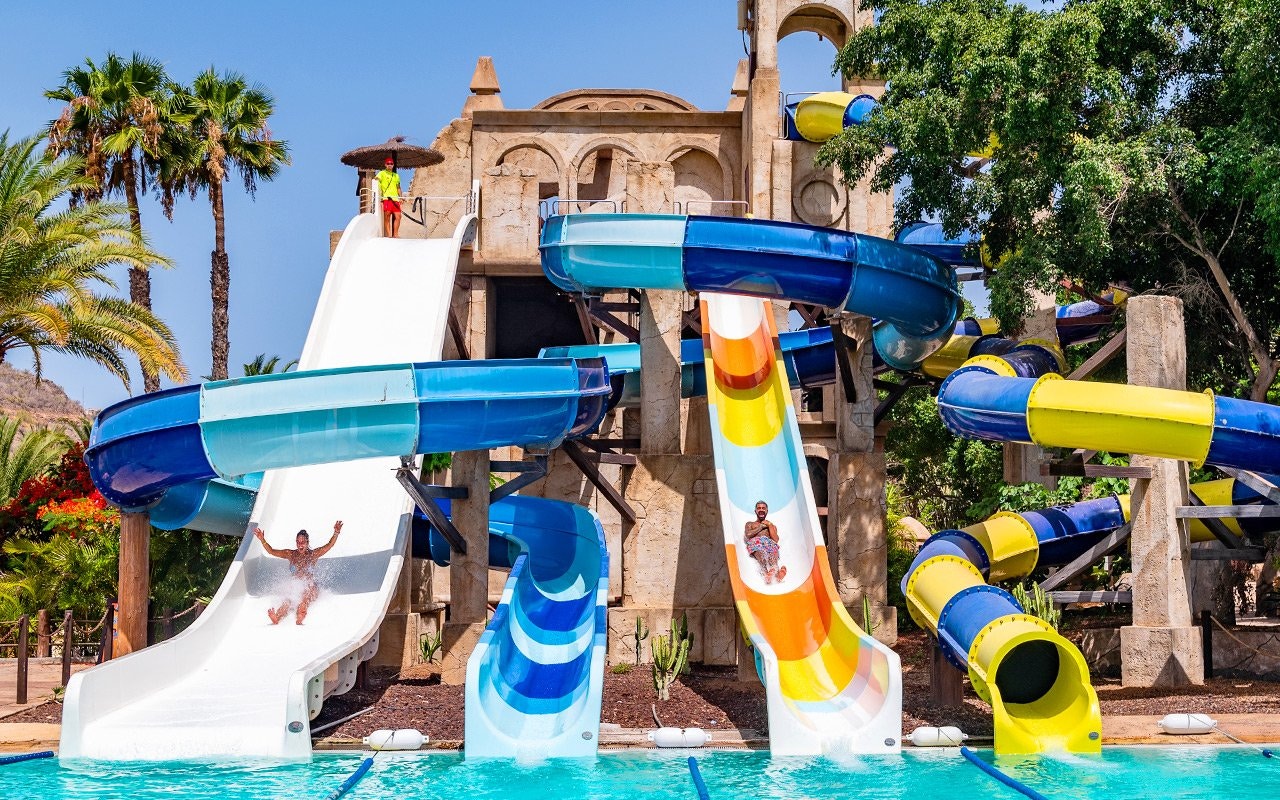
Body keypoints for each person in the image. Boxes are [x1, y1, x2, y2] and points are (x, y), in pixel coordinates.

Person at [254, 521, 343, 625]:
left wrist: (336, 532)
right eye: (298, 542)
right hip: (297, 585)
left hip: (310, 586)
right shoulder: (291, 554)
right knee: (288, 601)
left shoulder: (313, 554)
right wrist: (262, 539)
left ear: (307, 542)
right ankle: (276, 617)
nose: (300, 544)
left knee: (305, 597)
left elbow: (329, 545)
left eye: (303, 542)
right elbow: (271, 551)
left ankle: (300, 617)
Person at [744, 501, 786, 584]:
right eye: (759, 508)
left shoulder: (771, 526)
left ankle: (775, 572)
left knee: (772, 552)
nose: (761, 510)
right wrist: (761, 526)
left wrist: (769, 525)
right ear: (755, 511)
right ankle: (765, 573)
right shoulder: (750, 524)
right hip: (756, 542)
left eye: (763, 508)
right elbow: (748, 535)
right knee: (760, 552)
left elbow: (775, 539)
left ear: (767, 511)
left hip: (769, 543)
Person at [375, 157, 404, 238]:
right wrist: (380, 198)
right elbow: (375, 180)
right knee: (387, 216)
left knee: (398, 216)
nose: (390, 165)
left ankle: (395, 234)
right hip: (386, 198)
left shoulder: (396, 176)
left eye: (391, 164)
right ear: (385, 165)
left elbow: (398, 187)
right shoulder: (382, 173)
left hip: (395, 199)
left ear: (393, 165)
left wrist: (400, 197)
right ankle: (389, 235)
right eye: (388, 163)